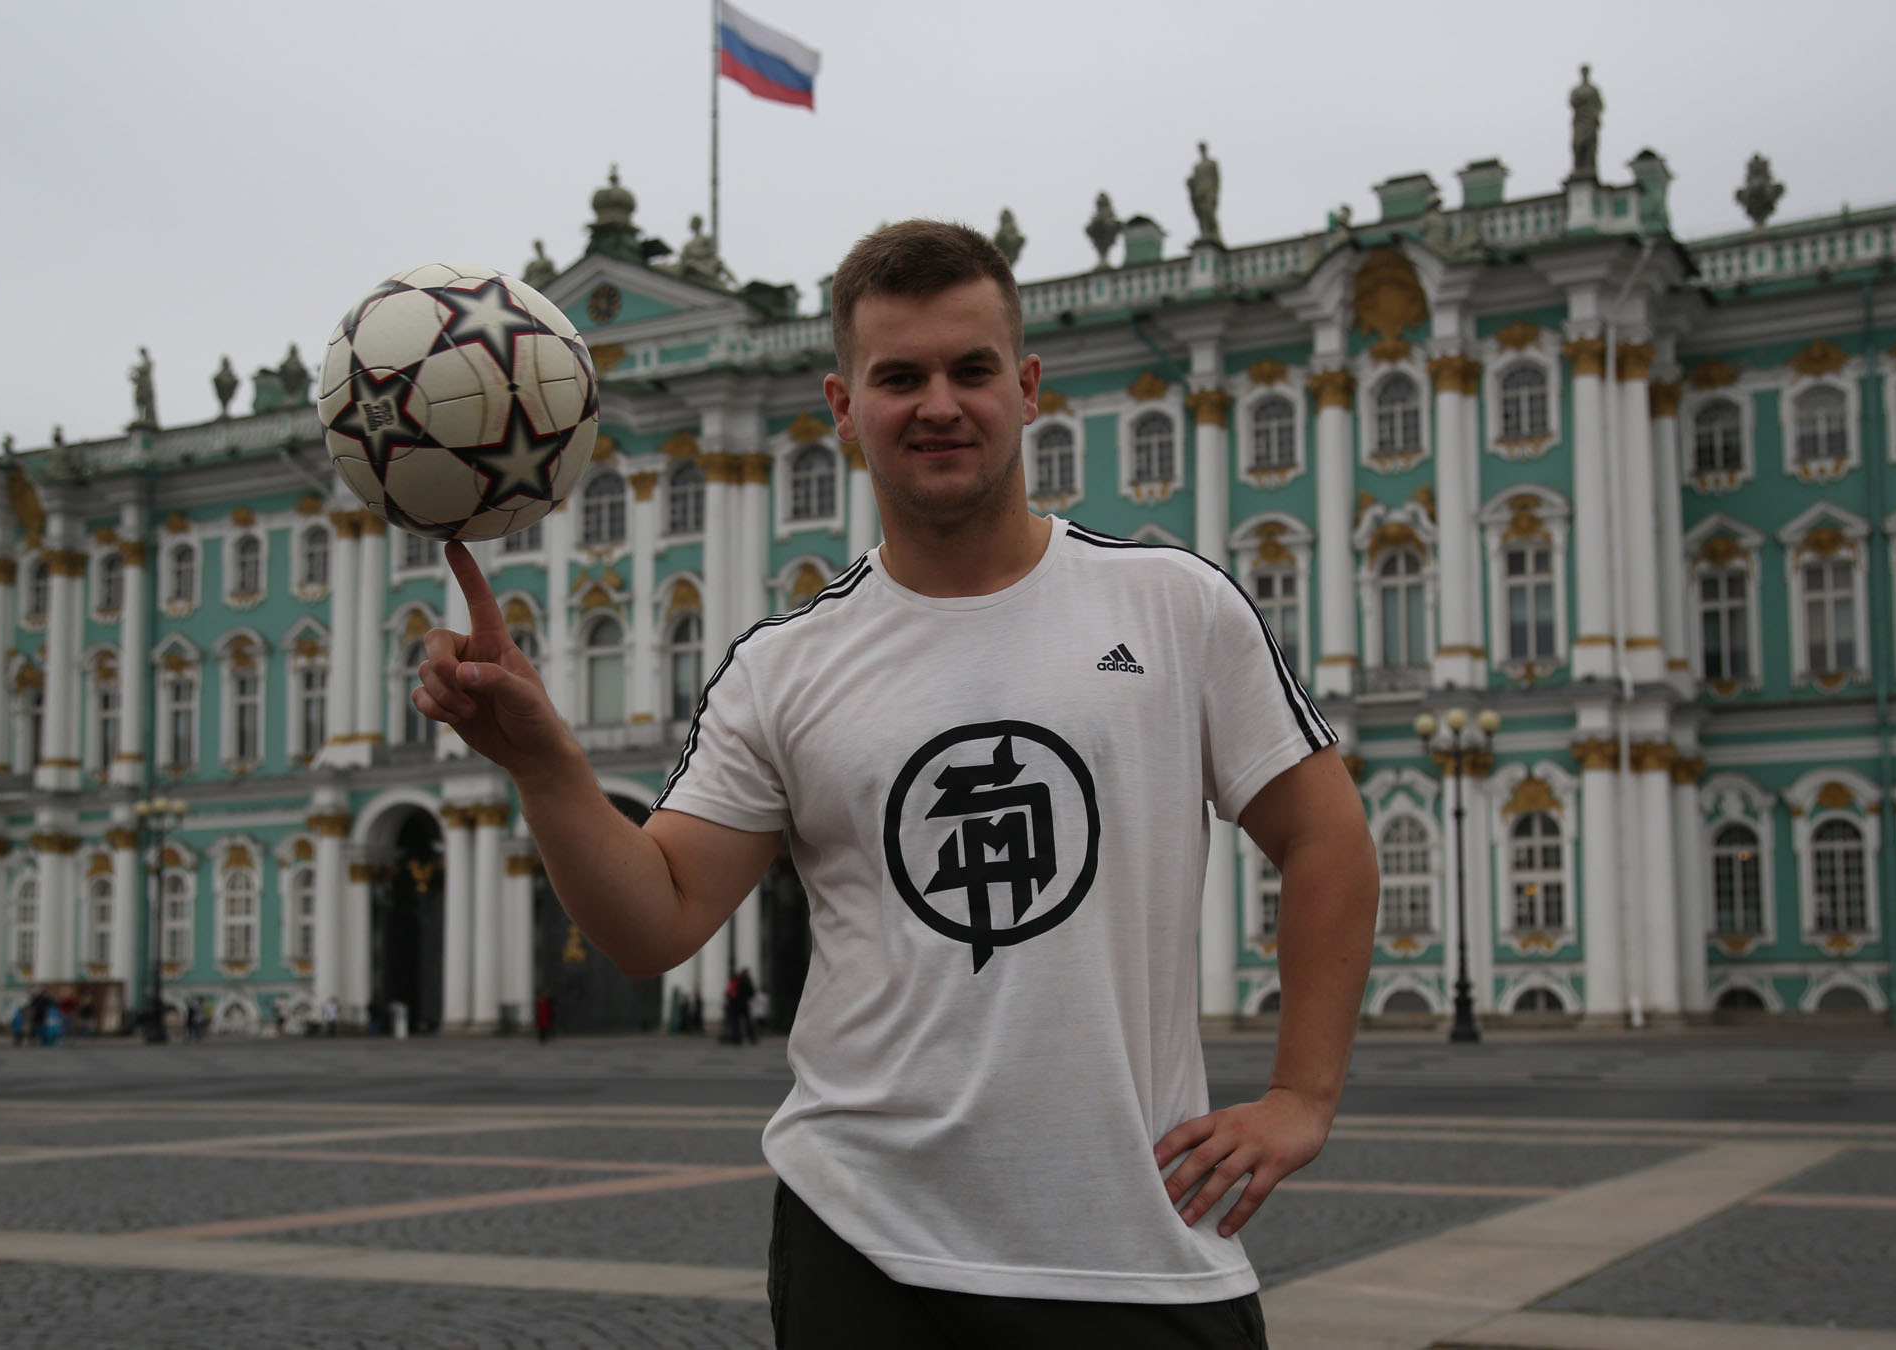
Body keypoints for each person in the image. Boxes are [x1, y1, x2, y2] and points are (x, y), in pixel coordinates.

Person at [413, 219, 1375, 1348]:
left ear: (1027, 388)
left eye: (972, 370)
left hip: (1143, 1252)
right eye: (900, 377)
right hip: (865, 1249)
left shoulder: (1176, 607)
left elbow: (1326, 838)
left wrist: (1302, 1096)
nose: (939, 405)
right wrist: (545, 766)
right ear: (843, 406)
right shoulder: (783, 668)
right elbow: (655, 919)